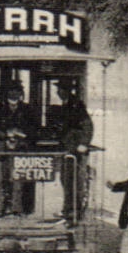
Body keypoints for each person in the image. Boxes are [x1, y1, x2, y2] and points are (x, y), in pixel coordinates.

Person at [0, 82, 39, 215]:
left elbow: (34, 128)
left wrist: (22, 134)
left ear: (21, 94)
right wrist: (5, 134)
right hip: (2, 149)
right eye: (11, 92)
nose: (14, 95)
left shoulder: (27, 109)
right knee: (0, 179)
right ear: (7, 94)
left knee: (18, 179)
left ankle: (16, 208)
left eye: (17, 92)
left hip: (20, 149)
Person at [54, 80, 94, 220]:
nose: (58, 92)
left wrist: (83, 143)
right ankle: (69, 209)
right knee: (66, 178)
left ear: (67, 91)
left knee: (71, 179)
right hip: (67, 147)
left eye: (60, 89)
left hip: (73, 148)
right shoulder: (67, 103)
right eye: (58, 90)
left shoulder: (76, 105)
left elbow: (87, 125)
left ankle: (71, 210)